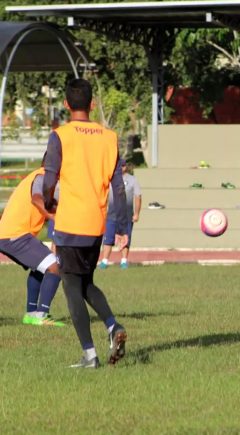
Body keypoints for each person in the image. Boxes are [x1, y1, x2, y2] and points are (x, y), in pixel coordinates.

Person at [43, 78, 129, 369]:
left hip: (70, 223)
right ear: (92, 104)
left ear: (66, 104)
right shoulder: (109, 137)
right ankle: (113, 326)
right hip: (96, 225)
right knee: (86, 282)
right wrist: (120, 228)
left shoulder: (60, 136)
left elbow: (49, 178)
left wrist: (47, 202)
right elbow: (119, 188)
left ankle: (89, 355)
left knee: (71, 287)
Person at [0, 159, 64, 326]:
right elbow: (36, 199)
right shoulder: (42, 177)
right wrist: (52, 217)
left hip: (12, 234)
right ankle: (41, 315)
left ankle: (31, 313)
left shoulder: (41, 177)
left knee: (41, 268)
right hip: (16, 234)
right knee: (55, 267)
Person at [98, 160, 142, 269]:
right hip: (112, 214)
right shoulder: (110, 178)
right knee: (108, 238)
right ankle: (104, 260)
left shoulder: (132, 180)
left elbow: (138, 197)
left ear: (125, 166)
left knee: (125, 238)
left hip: (126, 215)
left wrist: (136, 213)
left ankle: (123, 261)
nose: (121, 167)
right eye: (119, 166)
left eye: (123, 165)